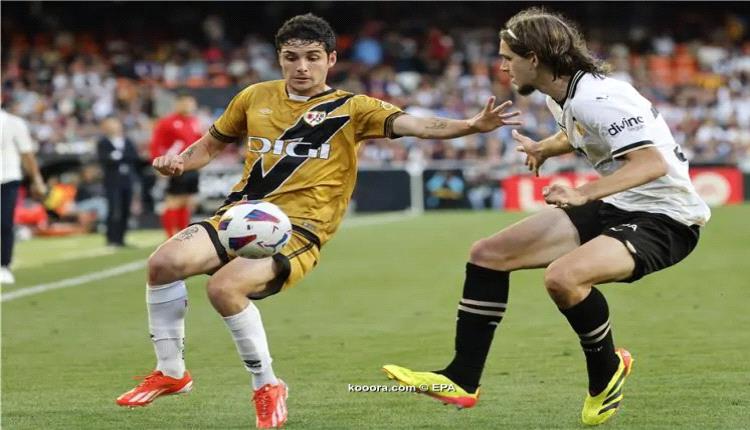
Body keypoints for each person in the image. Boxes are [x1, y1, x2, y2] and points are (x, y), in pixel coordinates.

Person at [115, 13, 520, 429]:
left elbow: (417, 124)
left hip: (298, 230)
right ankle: (172, 372)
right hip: (239, 215)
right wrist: (180, 162)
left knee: (224, 288)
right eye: (291, 58)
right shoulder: (254, 96)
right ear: (279, 58)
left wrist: (470, 126)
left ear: (331, 59)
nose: (302, 67)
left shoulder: (353, 108)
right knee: (162, 263)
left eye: (312, 57)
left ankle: (267, 385)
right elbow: (209, 145)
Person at [382, 7, 710, 426]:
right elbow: (580, 133)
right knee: (488, 255)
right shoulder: (568, 93)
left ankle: (606, 372)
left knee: (563, 278)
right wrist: (544, 148)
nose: (501, 66)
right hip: (621, 203)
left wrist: (581, 192)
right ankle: (461, 379)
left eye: (507, 57)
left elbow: (651, 163)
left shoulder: (597, 98)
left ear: (534, 58)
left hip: (667, 217)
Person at [1, 107, 47, 284]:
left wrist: (36, 179)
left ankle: (4, 265)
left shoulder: (14, 123)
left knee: (5, 223)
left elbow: (26, 154)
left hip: (7, 178)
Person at [149, 93, 203, 237]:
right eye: (185, 103)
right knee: (174, 201)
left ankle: (181, 234)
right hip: (174, 165)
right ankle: (170, 236)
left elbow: (199, 142)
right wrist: (158, 164)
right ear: (177, 104)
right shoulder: (167, 122)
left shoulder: (194, 121)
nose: (188, 106)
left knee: (187, 201)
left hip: (191, 166)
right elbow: (156, 144)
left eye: (190, 103)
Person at [97, 117, 140, 247]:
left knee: (126, 209)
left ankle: (121, 239)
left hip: (127, 180)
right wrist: (119, 157)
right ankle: (111, 239)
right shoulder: (103, 142)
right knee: (113, 209)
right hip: (112, 181)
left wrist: (117, 156)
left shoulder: (127, 141)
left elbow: (134, 157)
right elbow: (103, 159)